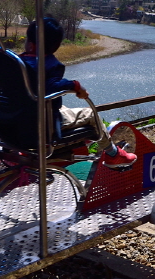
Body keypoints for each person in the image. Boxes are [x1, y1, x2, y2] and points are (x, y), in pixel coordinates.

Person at [20, 17, 136, 168]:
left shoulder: (15, 61)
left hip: (16, 121)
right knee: (90, 114)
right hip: (42, 126)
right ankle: (113, 154)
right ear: (55, 46)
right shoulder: (50, 65)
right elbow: (50, 87)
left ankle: (88, 141)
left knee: (64, 109)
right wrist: (74, 85)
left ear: (28, 39)